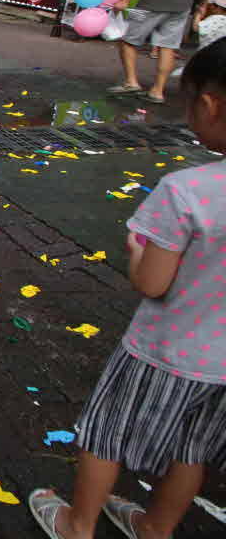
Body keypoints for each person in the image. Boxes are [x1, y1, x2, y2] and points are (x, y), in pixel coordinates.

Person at [28, 38, 226, 539]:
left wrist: (138, 248)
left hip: (167, 351)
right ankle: (157, 527)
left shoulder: (187, 192)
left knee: (107, 434)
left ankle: (78, 523)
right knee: (194, 449)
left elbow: (153, 283)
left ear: (208, 105)